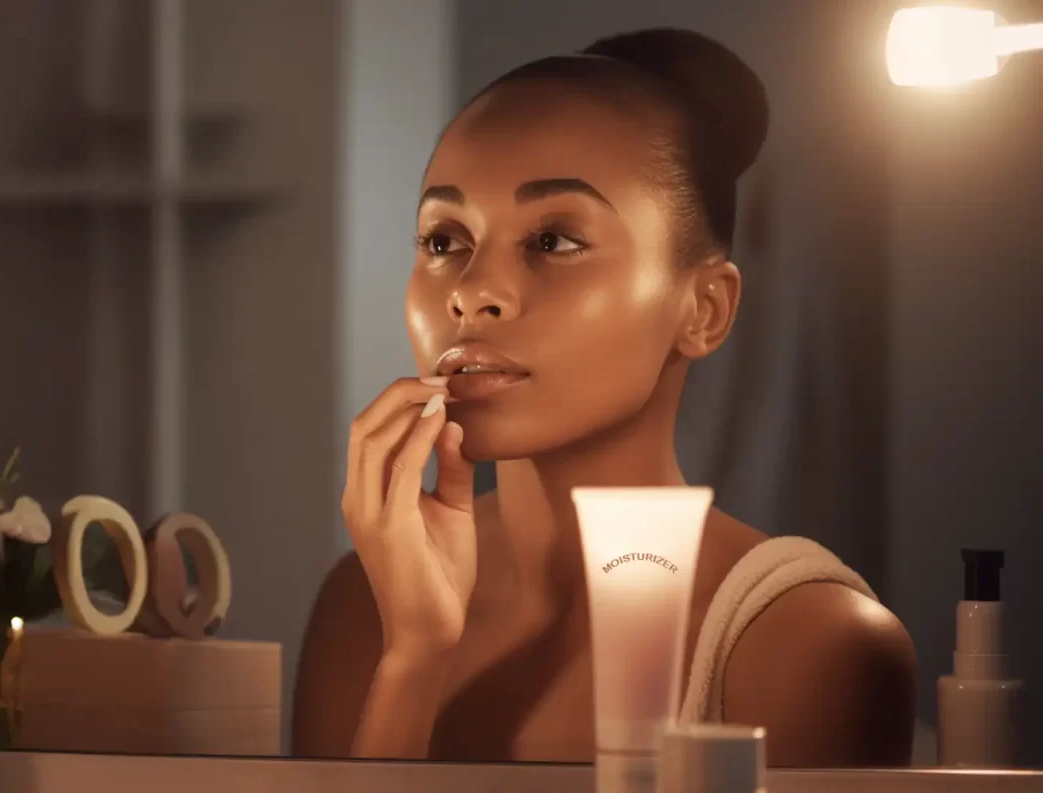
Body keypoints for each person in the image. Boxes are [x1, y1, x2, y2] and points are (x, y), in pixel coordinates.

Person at [291, 28, 916, 767]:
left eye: (553, 240)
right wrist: (415, 658)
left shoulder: (813, 642)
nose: (470, 293)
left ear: (705, 309)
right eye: (443, 239)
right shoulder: (360, 610)